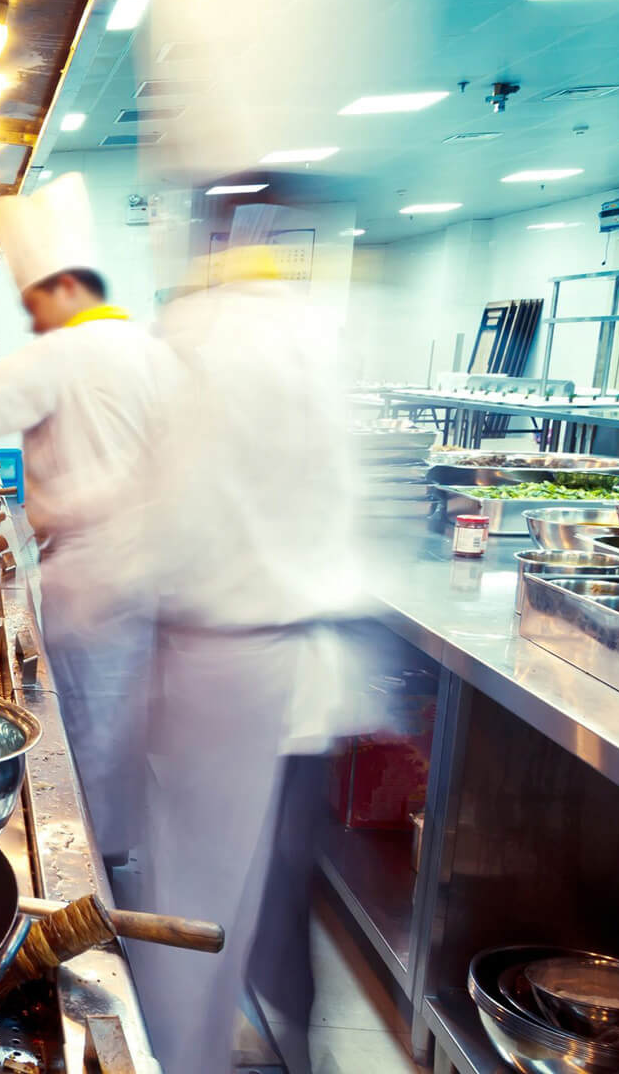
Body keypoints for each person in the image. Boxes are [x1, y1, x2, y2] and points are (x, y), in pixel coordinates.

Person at [130, 202, 366, 1073]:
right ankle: (289, 1054)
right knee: (278, 890)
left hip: (222, 661)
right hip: (303, 661)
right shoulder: (313, 333)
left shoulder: (201, 332)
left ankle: (184, 1059)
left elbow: (170, 519)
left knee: (196, 907)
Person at [0, 171, 174, 872]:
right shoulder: (144, 350)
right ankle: (112, 863)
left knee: (86, 736)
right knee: (116, 741)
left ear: (60, 287)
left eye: (31, 304)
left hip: (94, 583)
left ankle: (93, 886)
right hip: (141, 583)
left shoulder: (71, 352)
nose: (32, 321)